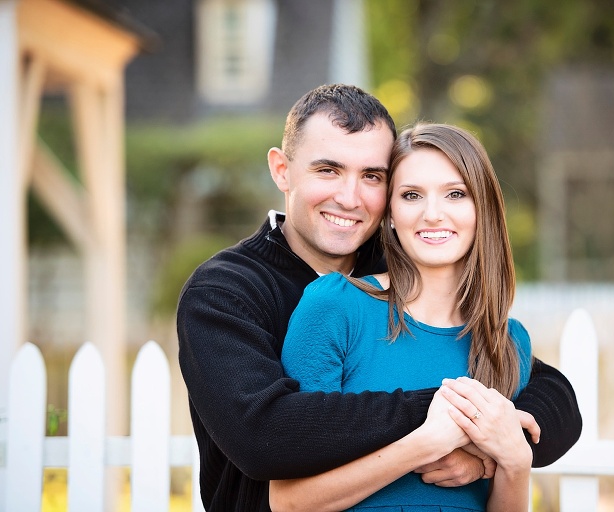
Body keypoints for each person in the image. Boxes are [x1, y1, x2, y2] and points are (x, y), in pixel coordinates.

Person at [177, 84, 582, 512]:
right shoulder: (225, 293)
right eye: (328, 170)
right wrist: (451, 414)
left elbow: (546, 389)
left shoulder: (410, 267)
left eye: (371, 176)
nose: (349, 198)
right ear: (282, 170)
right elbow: (263, 436)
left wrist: (490, 452)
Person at [272, 123, 534, 511]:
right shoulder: (337, 307)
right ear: (391, 213)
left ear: (483, 208)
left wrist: (515, 462)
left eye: (455, 194)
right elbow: (289, 502)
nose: (432, 214)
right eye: (411, 195)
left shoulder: (507, 341)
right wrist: (425, 443)